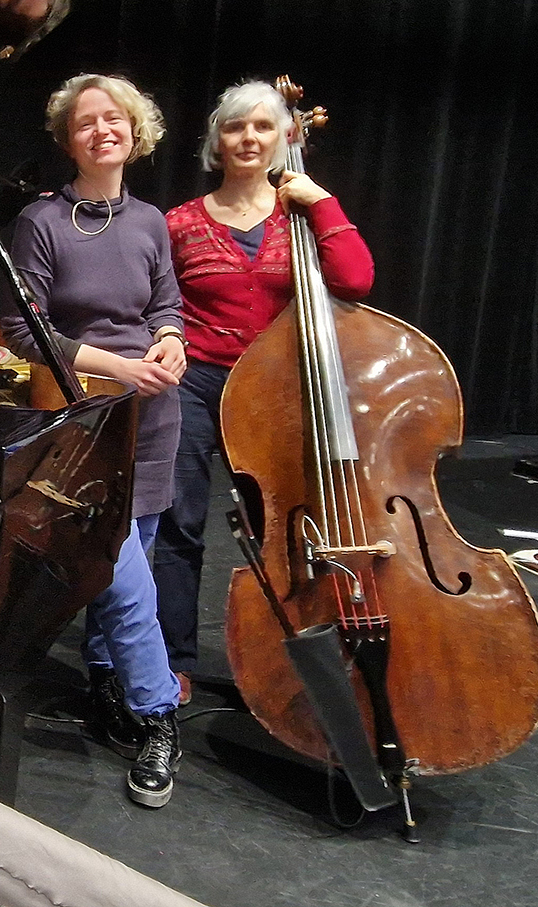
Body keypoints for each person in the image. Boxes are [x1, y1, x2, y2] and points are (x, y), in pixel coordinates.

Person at [151, 80, 374, 700]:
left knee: (280, 531)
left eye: (263, 127)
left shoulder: (302, 214)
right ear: (216, 140)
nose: (248, 138)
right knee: (178, 523)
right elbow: (155, 301)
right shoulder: (179, 223)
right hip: (195, 382)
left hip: (276, 390)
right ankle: (171, 661)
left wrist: (322, 202)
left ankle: (286, 664)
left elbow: (356, 280)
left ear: (283, 139)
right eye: (234, 126)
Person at [0, 73, 184, 808]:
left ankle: (107, 686)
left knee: (130, 560)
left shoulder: (151, 221)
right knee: (123, 573)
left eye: (115, 119)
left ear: (136, 132)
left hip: (155, 411)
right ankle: (159, 713)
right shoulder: (41, 221)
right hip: (84, 413)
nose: (102, 130)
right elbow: (25, 330)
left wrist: (170, 340)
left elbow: (166, 301)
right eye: (86, 122)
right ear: (68, 139)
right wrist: (119, 368)